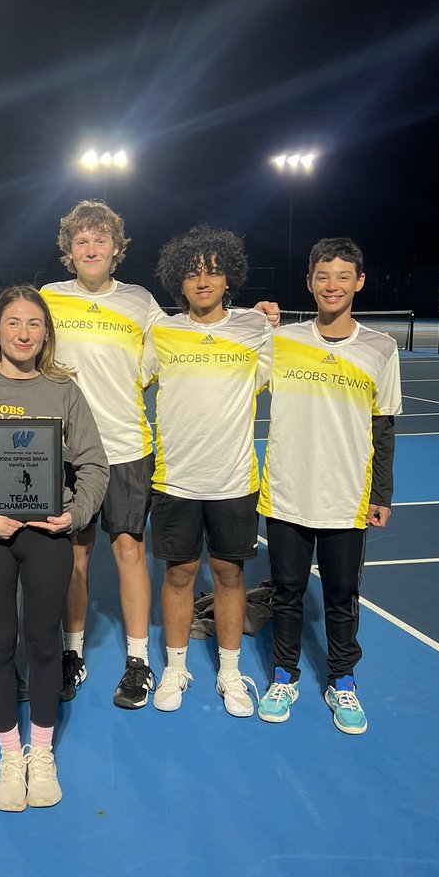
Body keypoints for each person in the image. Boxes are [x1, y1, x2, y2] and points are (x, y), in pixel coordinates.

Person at [0, 286, 108, 811]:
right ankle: (10, 756)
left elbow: (95, 466)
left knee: (43, 643)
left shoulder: (64, 391)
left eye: (35, 324)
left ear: (46, 333)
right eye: (13, 323)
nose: (24, 333)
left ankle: (42, 753)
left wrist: (73, 515)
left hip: (47, 538)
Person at [256, 237, 402, 735]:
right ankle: (284, 675)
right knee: (288, 593)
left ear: (359, 282)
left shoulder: (381, 348)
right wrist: (258, 320)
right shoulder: (280, 341)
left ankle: (343, 680)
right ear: (310, 282)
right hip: (287, 490)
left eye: (343, 276)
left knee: (343, 595)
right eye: (323, 276)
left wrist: (380, 494)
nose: (332, 285)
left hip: (347, 497)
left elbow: (383, 428)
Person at [143, 225, 272, 718]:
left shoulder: (257, 331)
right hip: (174, 478)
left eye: (213, 272)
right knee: (178, 574)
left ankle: (230, 671)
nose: (203, 281)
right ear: (179, 280)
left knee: (229, 574)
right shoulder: (162, 332)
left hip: (235, 479)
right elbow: (125, 380)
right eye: (193, 273)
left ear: (228, 278)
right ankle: (175, 668)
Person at [40, 201, 164, 709]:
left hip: (126, 447)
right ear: (69, 251)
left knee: (129, 549)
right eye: (81, 241)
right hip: (63, 449)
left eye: (101, 240)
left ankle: (138, 661)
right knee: (74, 554)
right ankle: (73, 653)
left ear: (116, 248)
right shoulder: (49, 298)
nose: (91, 249)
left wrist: (254, 315)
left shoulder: (141, 303)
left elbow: (173, 348)